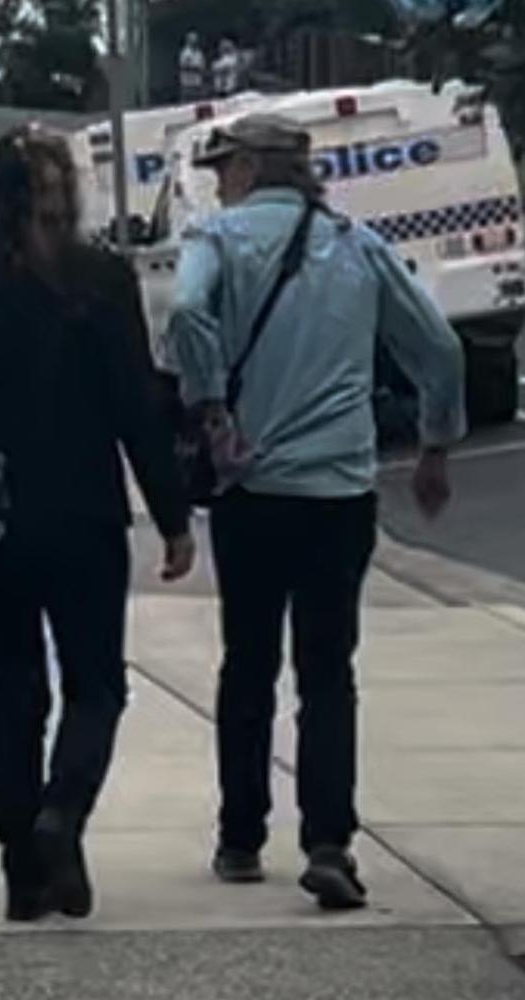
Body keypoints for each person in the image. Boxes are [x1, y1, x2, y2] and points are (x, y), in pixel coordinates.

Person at [162, 113, 465, 910]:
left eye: (224, 164)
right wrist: (435, 444)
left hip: (251, 489)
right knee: (328, 671)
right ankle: (329, 839)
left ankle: (240, 836)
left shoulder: (218, 238)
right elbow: (438, 348)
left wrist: (210, 403)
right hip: (338, 492)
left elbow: (186, 314)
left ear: (253, 169)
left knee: (248, 663)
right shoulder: (357, 246)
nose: (218, 177)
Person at [0, 124, 194, 922]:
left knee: (12, 686)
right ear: (68, 194)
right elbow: (137, 408)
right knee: (95, 683)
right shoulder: (100, 280)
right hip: (82, 514)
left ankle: (22, 875)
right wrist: (172, 516)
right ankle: (61, 814)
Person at [179, 30, 207, 103]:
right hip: (187, 84)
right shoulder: (185, 52)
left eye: (195, 39)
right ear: (188, 40)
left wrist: (201, 70)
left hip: (198, 83)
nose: (194, 41)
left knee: (198, 103)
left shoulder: (199, 53)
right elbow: (183, 66)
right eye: (192, 39)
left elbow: (203, 66)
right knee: (187, 104)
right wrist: (195, 68)